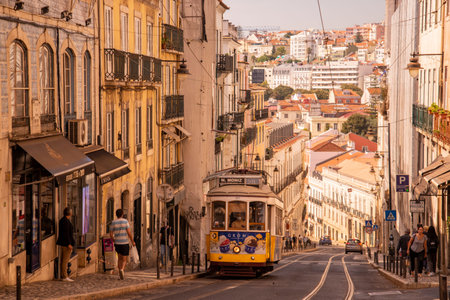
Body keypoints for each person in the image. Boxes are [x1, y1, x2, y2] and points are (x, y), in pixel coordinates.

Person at [110, 209, 135, 280]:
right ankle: (122, 270)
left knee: (119, 258)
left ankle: (119, 272)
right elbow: (129, 233)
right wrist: (132, 241)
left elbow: (111, 234)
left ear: (116, 214)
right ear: (122, 214)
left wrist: (114, 240)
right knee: (124, 259)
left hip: (117, 243)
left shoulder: (113, 222)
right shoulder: (125, 221)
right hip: (124, 243)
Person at [56, 207, 75, 282]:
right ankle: (64, 276)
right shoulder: (65, 221)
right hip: (66, 244)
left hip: (64, 243)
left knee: (63, 260)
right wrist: (69, 244)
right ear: (69, 213)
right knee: (65, 260)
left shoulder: (63, 220)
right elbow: (66, 234)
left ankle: (63, 275)